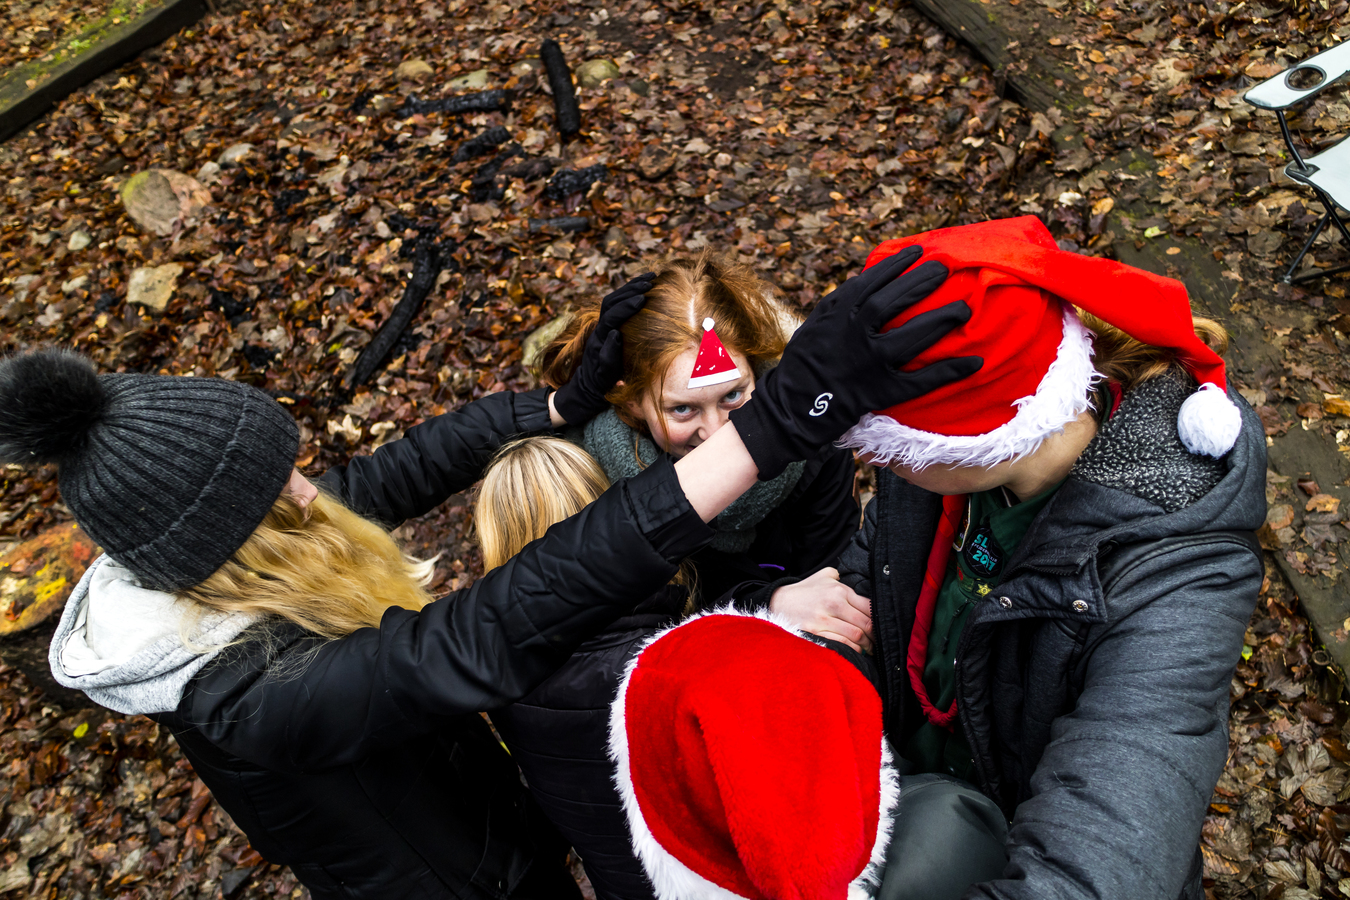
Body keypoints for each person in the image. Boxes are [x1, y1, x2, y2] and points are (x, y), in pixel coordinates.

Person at [0, 251, 977, 899]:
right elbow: (494, 626)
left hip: (494, 816)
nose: (313, 491)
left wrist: (553, 402)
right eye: (279, 489)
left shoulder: (228, 562)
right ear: (229, 543)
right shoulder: (254, 702)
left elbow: (398, 473)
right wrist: (758, 440)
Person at [722, 216, 1263, 900]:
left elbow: (1099, 860)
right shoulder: (928, 477)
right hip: (901, 813)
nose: (865, 459)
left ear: (980, 435)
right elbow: (869, 598)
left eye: (888, 447)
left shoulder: (1177, 566)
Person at [541, 252, 865, 623]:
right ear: (632, 404)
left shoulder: (813, 444)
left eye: (732, 395)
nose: (717, 432)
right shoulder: (582, 483)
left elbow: (831, 578)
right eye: (683, 409)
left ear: (756, 371)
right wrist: (765, 604)